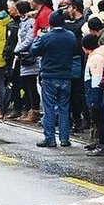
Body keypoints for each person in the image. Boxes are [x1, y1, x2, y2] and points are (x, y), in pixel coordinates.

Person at [30, 11, 79, 148]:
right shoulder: (70, 36)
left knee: (49, 108)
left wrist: (38, 37)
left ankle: (50, 138)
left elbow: (33, 50)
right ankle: (64, 138)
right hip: (66, 75)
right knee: (64, 108)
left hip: (49, 75)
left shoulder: (46, 37)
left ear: (50, 23)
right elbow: (75, 49)